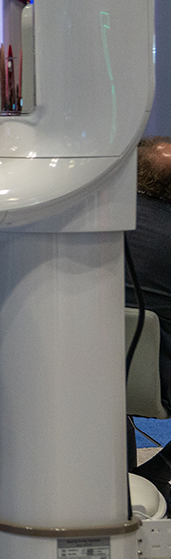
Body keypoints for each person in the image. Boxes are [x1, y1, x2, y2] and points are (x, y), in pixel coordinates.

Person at [126, 138, 171, 492]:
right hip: (160, 373)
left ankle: (118, 480)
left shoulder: (92, 224)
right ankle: (156, 476)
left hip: (80, 372)